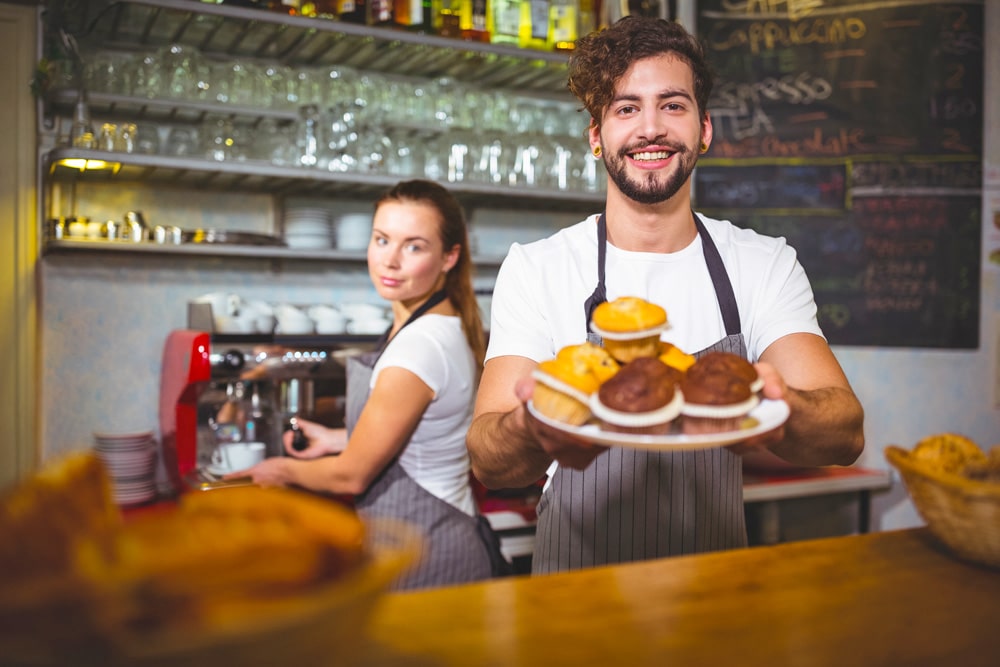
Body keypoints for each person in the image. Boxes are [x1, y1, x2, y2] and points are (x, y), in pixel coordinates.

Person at [466, 17, 865, 575]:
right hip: (573, 591)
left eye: (672, 105)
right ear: (596, 136)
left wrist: (780, 411)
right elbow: (488, 458)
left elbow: (846, 433)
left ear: (704, 130)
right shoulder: (538, 267)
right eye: (626, 108)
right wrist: (532, 426)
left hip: (713, 587)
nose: (650, 128)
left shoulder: (763, 263)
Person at [230, 179, 508, 589]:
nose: (389, 261)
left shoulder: (419, 347)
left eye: (414, 247)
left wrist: (280, 470)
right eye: (382, 240)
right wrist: (336, 438)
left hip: (428, 553)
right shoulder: (438, 323)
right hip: (442, 533)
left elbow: (351, 477)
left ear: (449, 257)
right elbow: (423, 436)